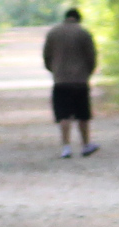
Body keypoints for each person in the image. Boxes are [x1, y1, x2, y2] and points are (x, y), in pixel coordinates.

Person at [41, 8, 98, 156]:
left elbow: (46, 56)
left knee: (63, 115)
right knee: (83, 115)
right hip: (80, 80)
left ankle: (66, 146)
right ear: (78, 18)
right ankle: (86, 144)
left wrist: (54, 70)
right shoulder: (84, 33)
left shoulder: (53, 33)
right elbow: (91, 56)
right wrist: (87, 72)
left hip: (61, 81)